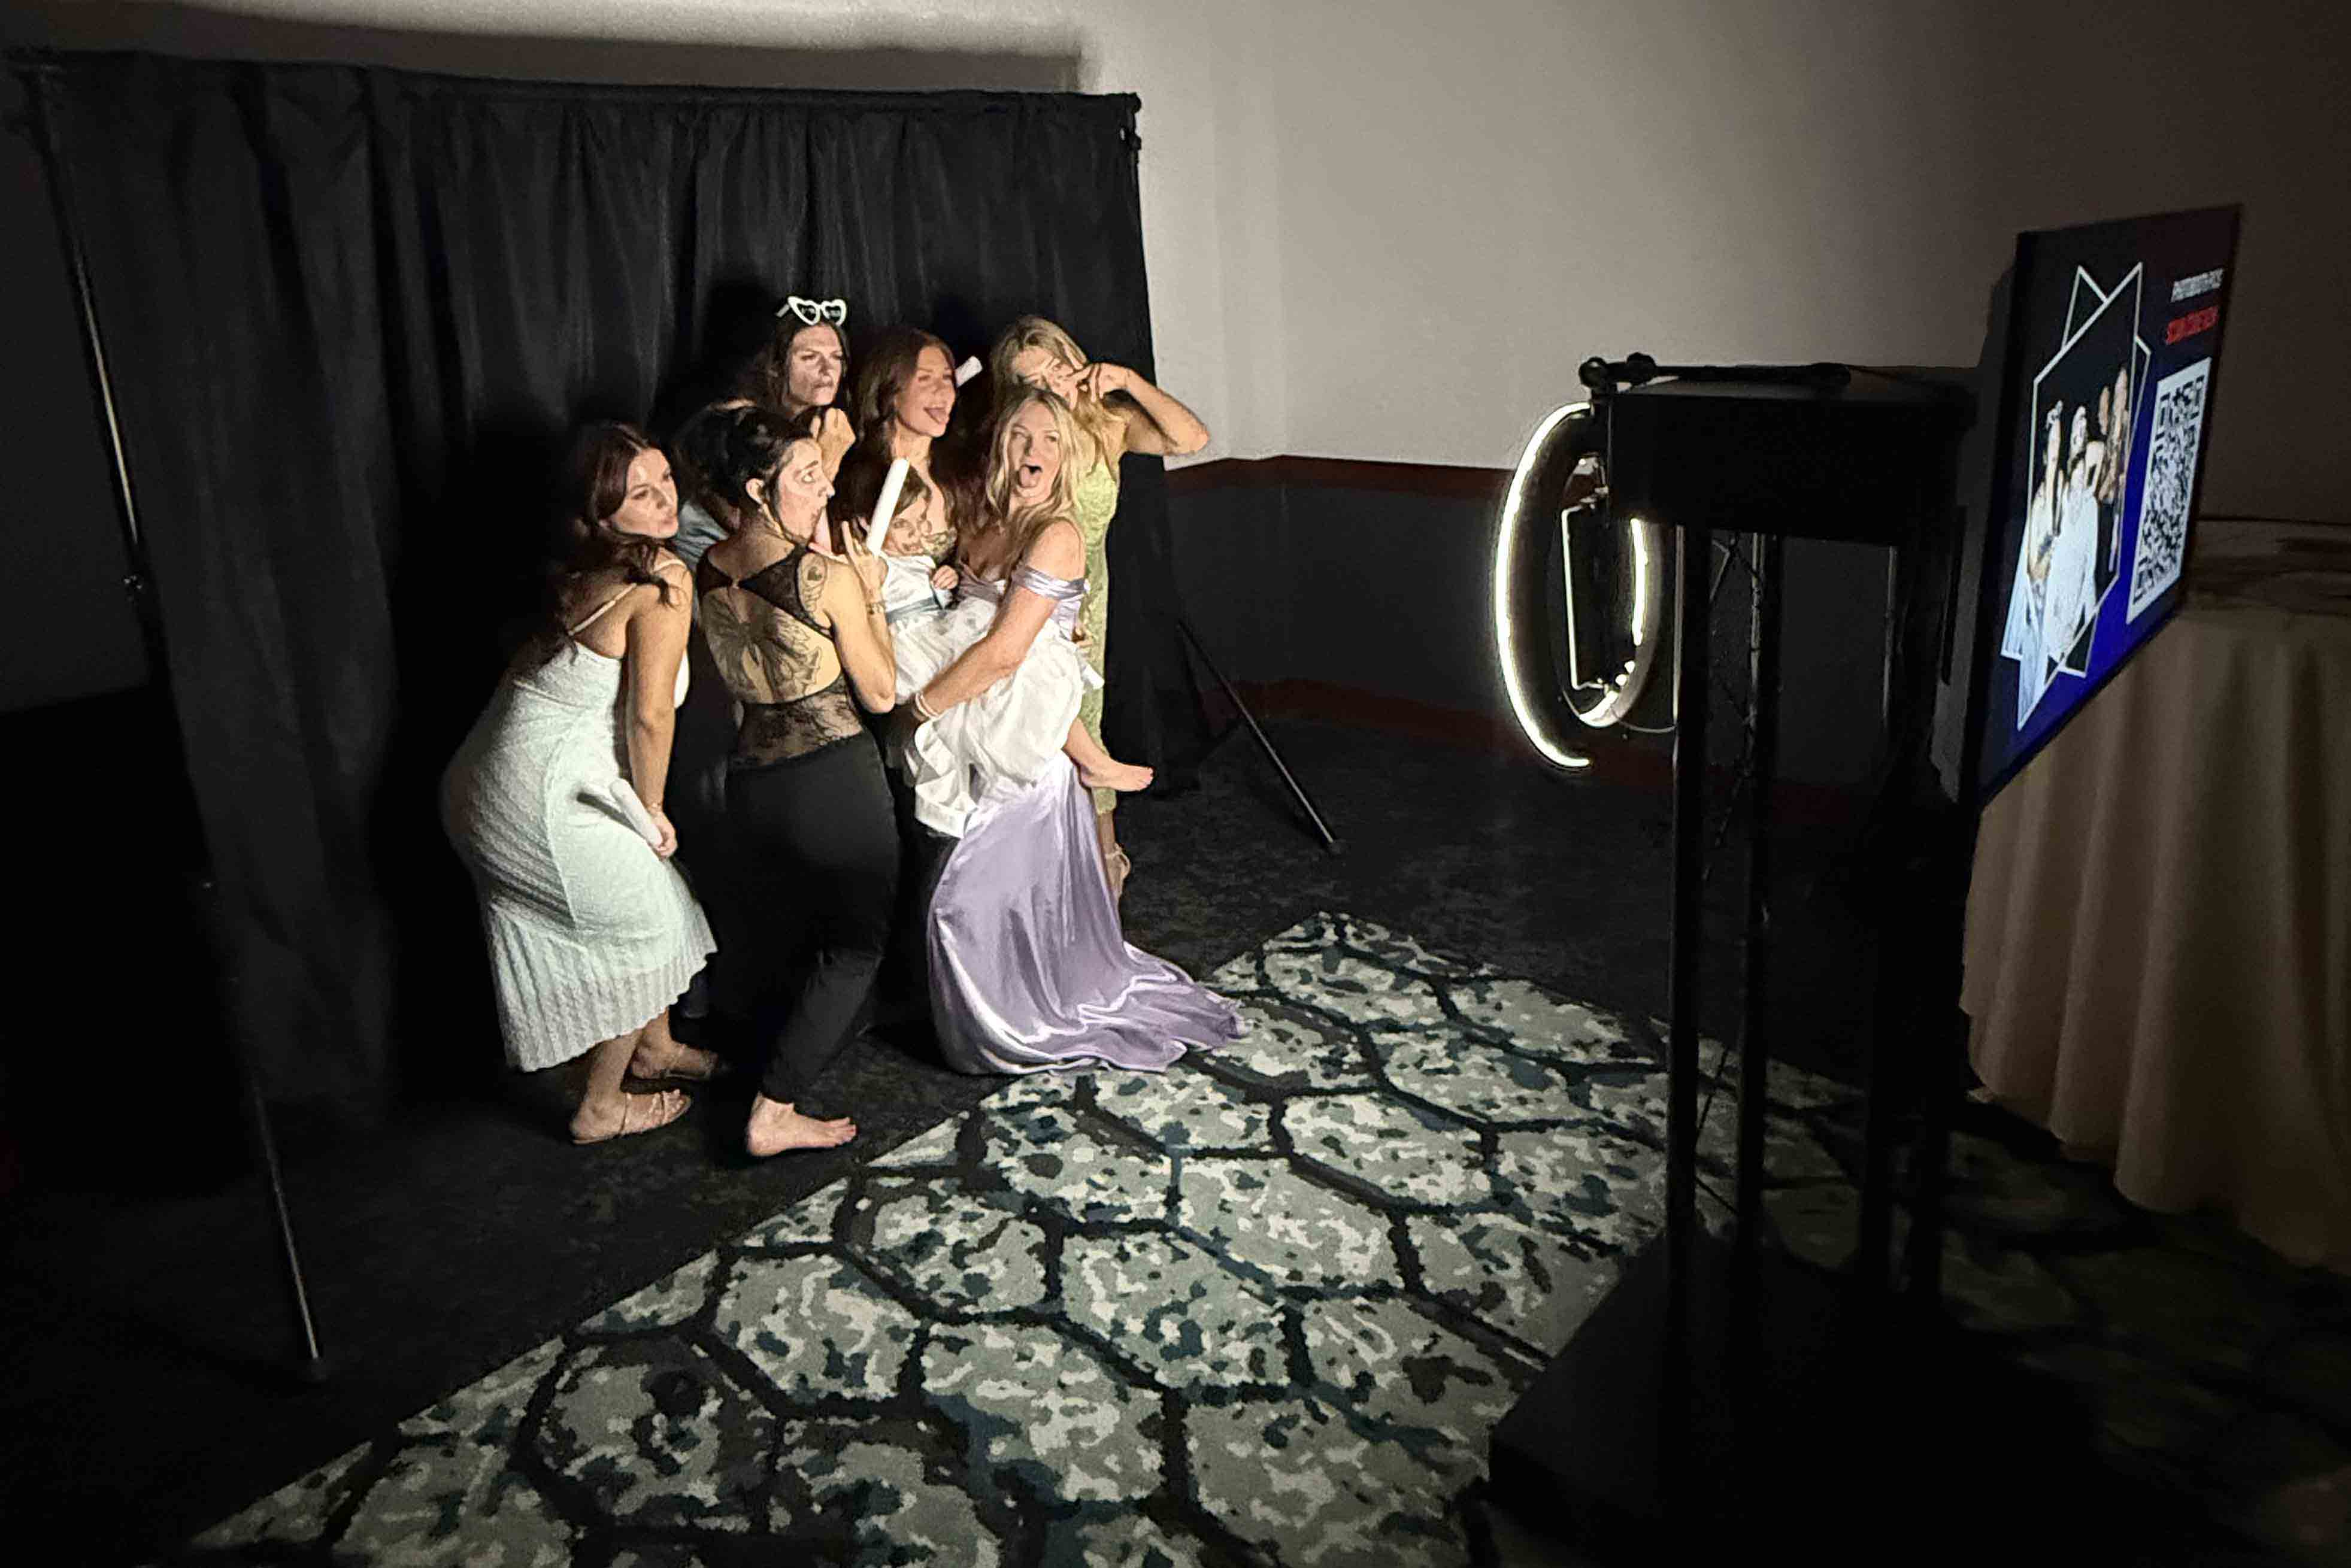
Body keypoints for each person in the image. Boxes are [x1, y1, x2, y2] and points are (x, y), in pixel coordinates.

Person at [897, 387, 1237, 1075]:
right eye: (1022, 436)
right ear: (1001, 446)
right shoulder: (979, 522)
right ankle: (989, 1015)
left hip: (1021, 755)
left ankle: (1024, 1022)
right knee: (966, 902)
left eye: (1051, 440)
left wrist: (915, 714)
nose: (1036, 452)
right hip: (974, 736)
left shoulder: (1054, 535)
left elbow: (1002, 653)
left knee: (964, 905)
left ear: (1066, 456)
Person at [442, 422, 720, 1144]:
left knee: (659, 897)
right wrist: (653, 810)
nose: (665, 501)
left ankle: (652, 1049)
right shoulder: (661, 575)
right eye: (640, 493)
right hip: (534, 793)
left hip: (496, 774)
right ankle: (599, 1105)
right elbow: (650, 716)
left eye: (666, 481)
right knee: (648, 927)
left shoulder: (589, 563)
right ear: (597, 514)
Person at [695, 407, 900, 1157]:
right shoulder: (827, 577)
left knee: (786, 940)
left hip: (752, 787)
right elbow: (880, 692)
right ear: (758, 488)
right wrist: (871, 592)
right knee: (854, 947)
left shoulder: (707, 566)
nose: (825, 487)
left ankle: (774, 1066)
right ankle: (772, 1110)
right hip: (832, 781)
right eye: (806, 476)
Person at [990, 316, 1210, 900]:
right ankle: (1070, 875)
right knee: (1054, 729)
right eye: (1030, 380)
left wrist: (1130, 382)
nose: (1049, 386)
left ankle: (1105, 867)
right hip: (1034, 590)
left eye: (1054, 368)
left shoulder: (1106, 425)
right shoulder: (1020, 437)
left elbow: (1191, 441)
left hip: (1094, 592)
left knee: (1086, 721)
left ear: (1074, 360)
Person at [738, 295, 857, 537]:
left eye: (836, 358)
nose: (828, 370)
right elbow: (780, 535)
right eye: (810, 357)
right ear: (775, 366)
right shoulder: (744, 423)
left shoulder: (824, 421)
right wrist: (827, 465)